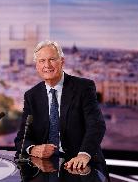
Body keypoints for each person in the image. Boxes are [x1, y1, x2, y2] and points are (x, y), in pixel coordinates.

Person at [14, 40, 107, 171]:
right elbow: (21, 139)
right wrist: (33, 149)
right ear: (36, 66)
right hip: (46, 166)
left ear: (62, 62)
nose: (47, 65)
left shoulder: (83, 87)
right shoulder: (31, 96)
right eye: (41, 61)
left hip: (81, 164)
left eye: (52, 59)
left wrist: (84, 155)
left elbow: (96, 125)